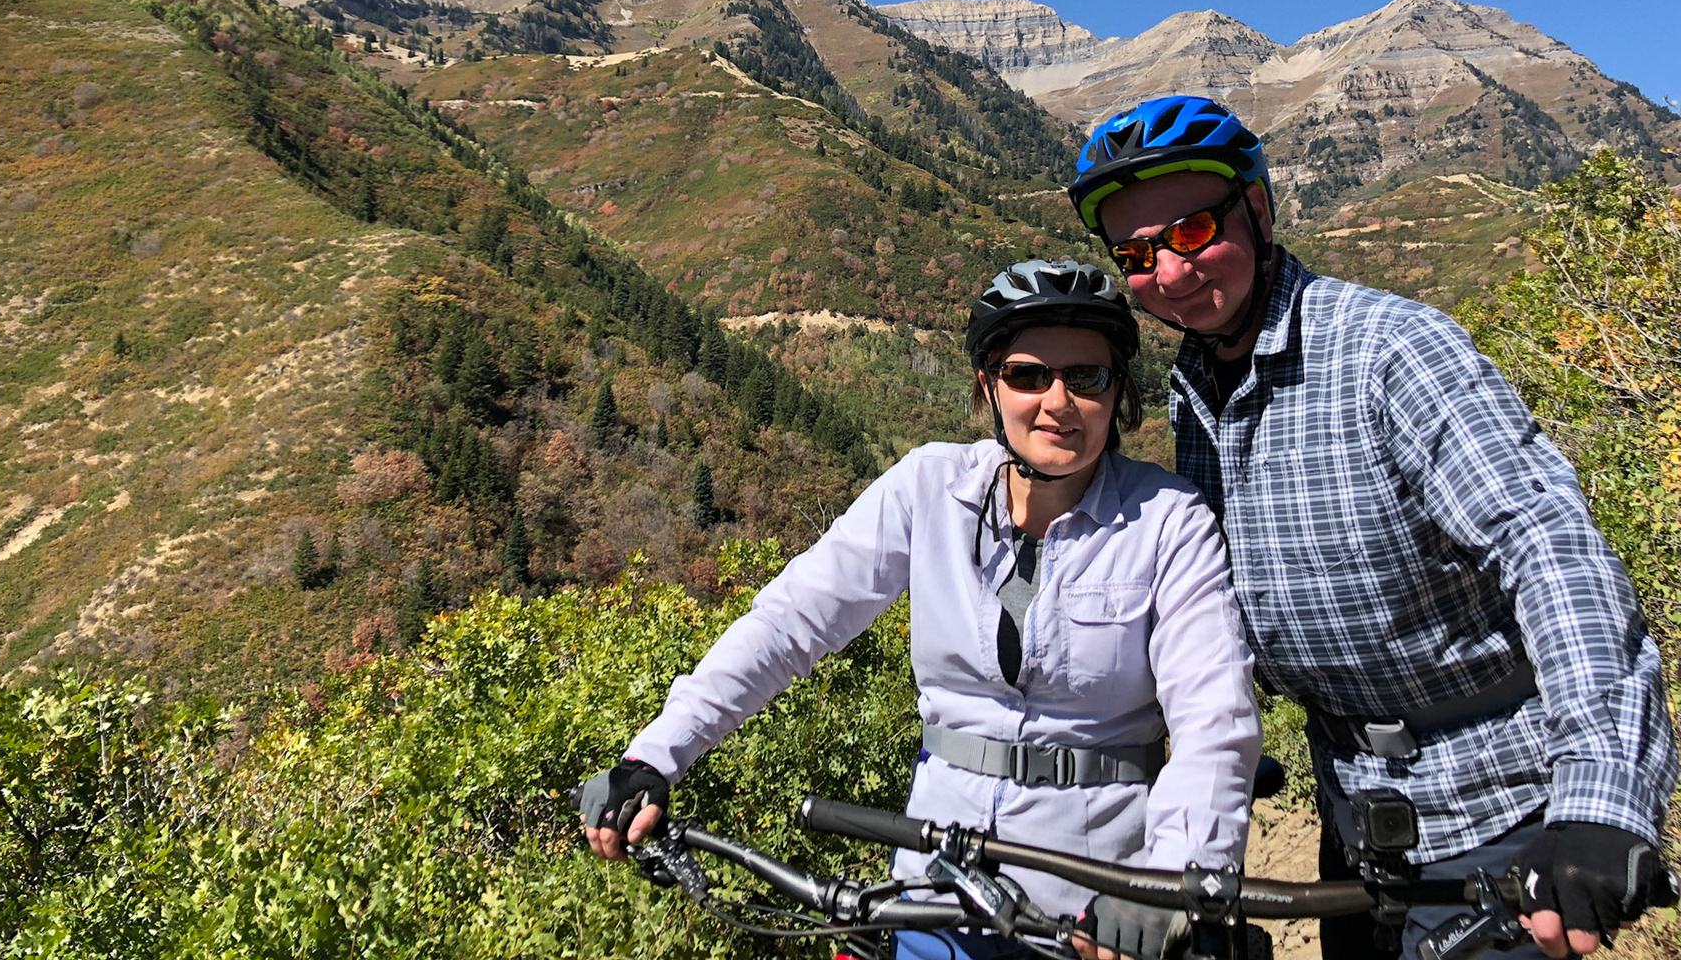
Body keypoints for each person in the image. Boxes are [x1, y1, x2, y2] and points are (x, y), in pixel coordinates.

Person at [1069, 95, 1678, 960]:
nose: (1167, 273)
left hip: (1503, 814)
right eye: (1135, 252)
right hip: (1355, 820)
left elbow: (1550, 547)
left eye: (1194, 230)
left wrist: (1599, 802)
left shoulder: (1391, 352)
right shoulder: (1194, 392)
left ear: (1260, 209)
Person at [579, 259, 1261, 960]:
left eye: (1086, 378)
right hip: (934, 893)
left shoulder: (1167, 521)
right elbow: (789, 623)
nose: (1057, 401)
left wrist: (1166, 883)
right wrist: (657, 755)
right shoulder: (929, 487)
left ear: (1118, 394)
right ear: (987, 387)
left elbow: (1215, 718)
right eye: (1028, 376)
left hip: (1096, 910)